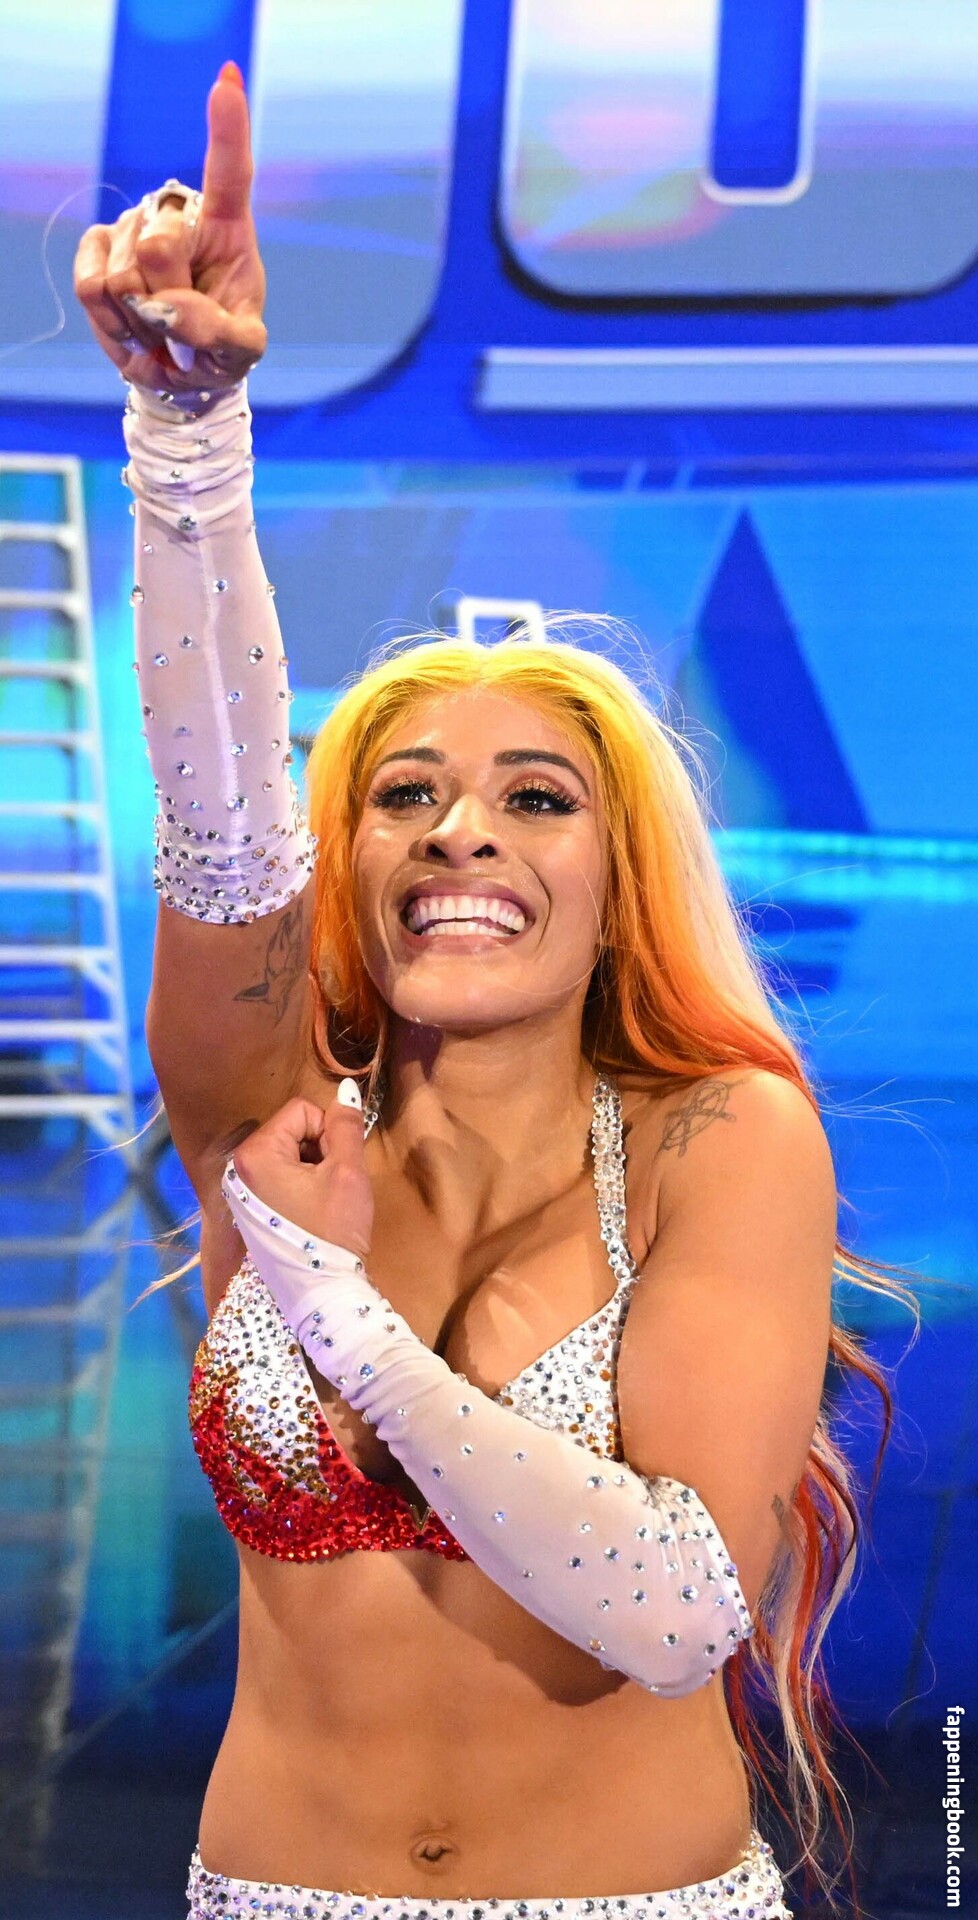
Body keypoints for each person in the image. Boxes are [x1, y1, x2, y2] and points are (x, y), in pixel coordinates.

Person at [73, 62, 906, 1920]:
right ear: (350, 863)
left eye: (535, 799)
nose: (460, 829)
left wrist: (336, 1307)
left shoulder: (717, 1138)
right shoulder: (266, 1114)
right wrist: (188, 436)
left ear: (614, 889)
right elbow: (220, 824)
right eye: (403, 797)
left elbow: (674, 1608)